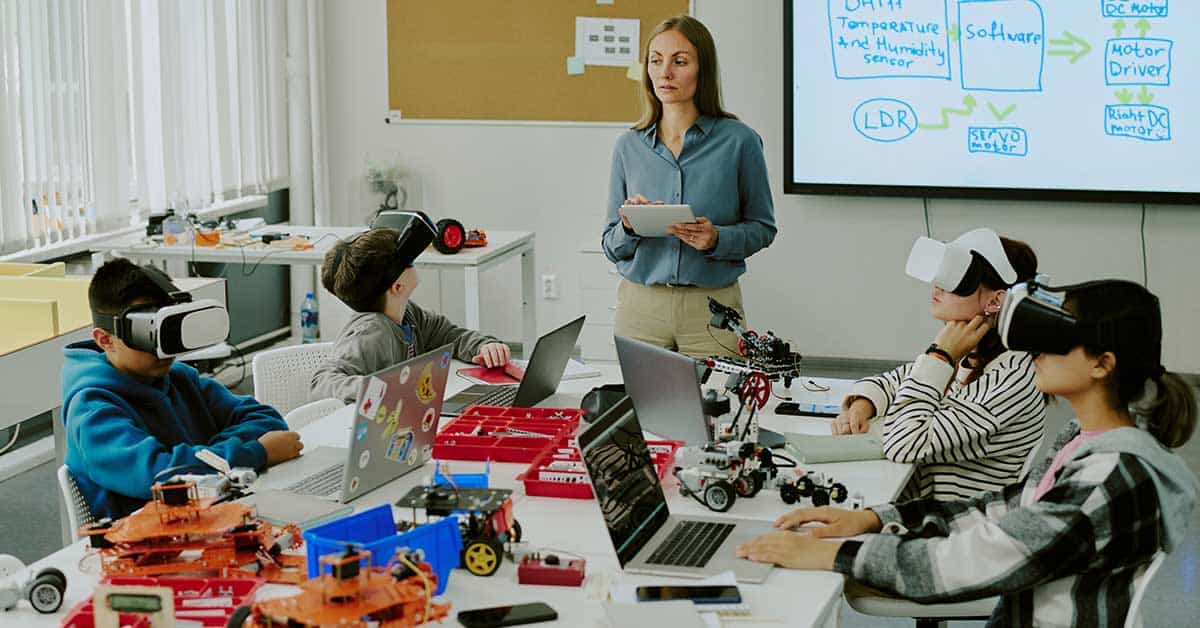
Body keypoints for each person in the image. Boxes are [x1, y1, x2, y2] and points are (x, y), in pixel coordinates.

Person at [737, 279, 1197, 626]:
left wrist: (835, 555)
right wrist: (875, 519)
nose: (1034, 351)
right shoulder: (1089, 439)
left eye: (1054, 340)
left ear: (1103, 364)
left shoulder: (1108, 478)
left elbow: (969, 563)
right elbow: (1003, 511)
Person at [63, 259, 302, 520]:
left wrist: (205, 458)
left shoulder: (178, 377)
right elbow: (162, 477)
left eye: (169, 331)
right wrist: (256, 453)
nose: (163, 350)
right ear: (105, 340)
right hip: (143, 543)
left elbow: (266, 419)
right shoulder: (92, 409)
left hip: (211, 515)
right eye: (147, 336)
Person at [601, 15, 776, 358]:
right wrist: (628, 226)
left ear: (702, 69)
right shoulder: (629, 146)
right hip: (641, 310)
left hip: (712, 312)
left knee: (717, 410)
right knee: (641, 410)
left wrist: (717, 239)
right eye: (656, 60)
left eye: (679, 61)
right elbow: (610, 245)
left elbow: (763, 228)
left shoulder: (740, 142)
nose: (665, 72)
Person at [834, 228, 1045, 501]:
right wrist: (864, 405)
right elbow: (895, 380)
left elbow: (904, 444)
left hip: (946, 527)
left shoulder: (1010, 379)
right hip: (916, 504)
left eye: (960, 279)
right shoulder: (970, 354)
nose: (938, 285)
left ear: (995, 300)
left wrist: (940, 357)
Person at [311, 212, 510, 404]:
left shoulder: (408, 315)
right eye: (410, 262)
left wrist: (484, 346)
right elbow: (322, 383)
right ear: (397, 287)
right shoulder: (371, 331)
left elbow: (449, 336)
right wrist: (381, 389)